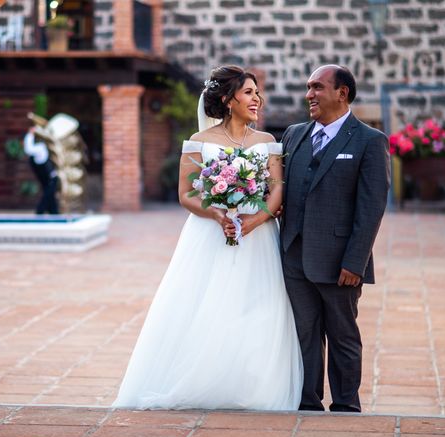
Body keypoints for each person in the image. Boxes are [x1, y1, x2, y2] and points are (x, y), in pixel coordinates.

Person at [113, 65, 303, 410]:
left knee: (260, 308)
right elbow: (186, 194)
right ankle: (201, 380)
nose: (257, 99)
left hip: (257, 237)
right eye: (249, 93)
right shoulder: (198, 143)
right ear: (228, 100)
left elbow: (277, 192)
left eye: (257, 93)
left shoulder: (268, 143)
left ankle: (252, 388)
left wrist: (253, 221)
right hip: (209, 235)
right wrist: (216, 214)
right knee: (205, 305)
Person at [280, 65, 391, 412]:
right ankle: (307, 401)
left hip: (340, 260)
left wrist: (354, 261)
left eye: (317, 87)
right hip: (294, 256)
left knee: (342, 334)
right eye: (308, 87)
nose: (309, 94)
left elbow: (371, 207)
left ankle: (346, 404)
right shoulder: (294, 135)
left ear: (341, 93)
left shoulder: (369, 141)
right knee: (304, 333)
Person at [23, 127, 59, 214]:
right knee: (50, 196)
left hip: (51, 179)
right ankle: (54, 212)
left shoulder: (40, 148)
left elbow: (28, 149)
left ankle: (40, 212)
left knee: (48, 195)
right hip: (47, 179)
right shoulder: (38, 150)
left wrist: (30, 134)